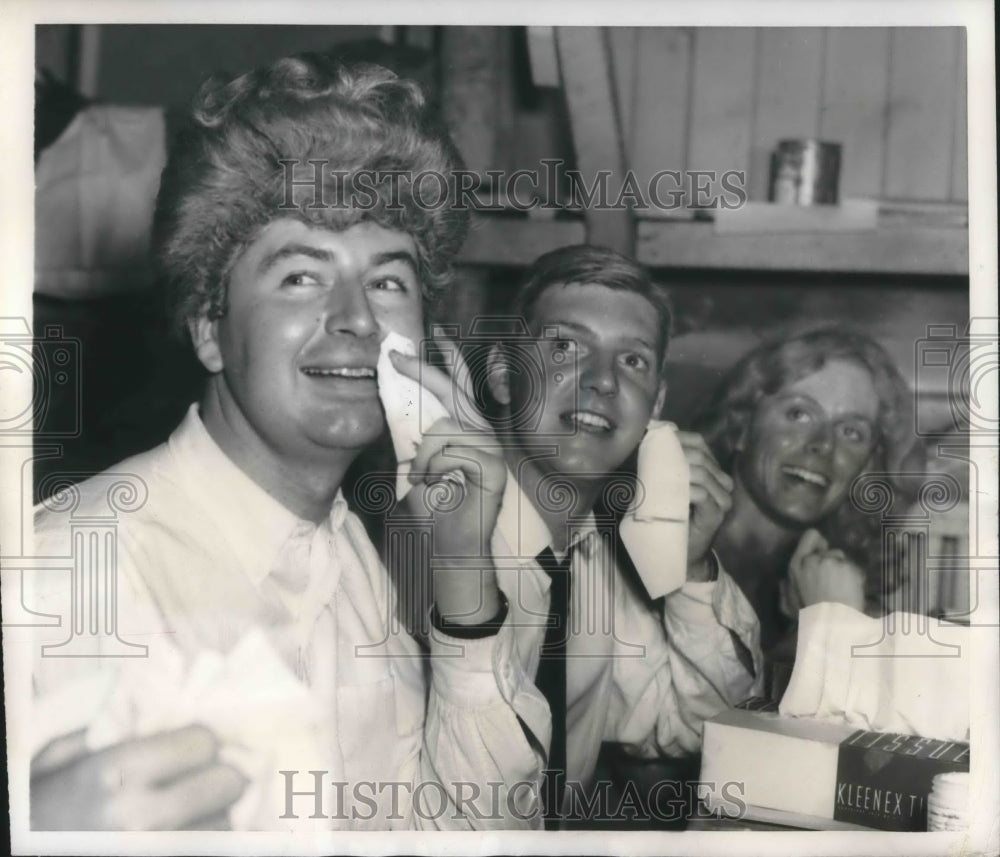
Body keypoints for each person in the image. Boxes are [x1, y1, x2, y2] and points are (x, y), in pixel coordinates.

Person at [23, 55, 548, 831]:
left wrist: (465, 575)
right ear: (210, 328)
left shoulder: (349, 556)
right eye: (301, 276)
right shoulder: (75, 568)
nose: (357, 319)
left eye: (389, 282)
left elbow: (457, 831)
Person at [390, 245, 762, 828]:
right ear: (505, 375)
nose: (603, 382)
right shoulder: (422, 545)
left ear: (655, 407)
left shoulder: (596, 561)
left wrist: (692, 572)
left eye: (633, 361)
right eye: (565, 347)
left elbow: (690, 728)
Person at [692, 327, 914, 662]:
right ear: (740, 426)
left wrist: (834, 624)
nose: (823, 445)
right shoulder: (672, 550)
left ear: (867, 467)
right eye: (799, 414)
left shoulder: (845, 585)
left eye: (851, 431)